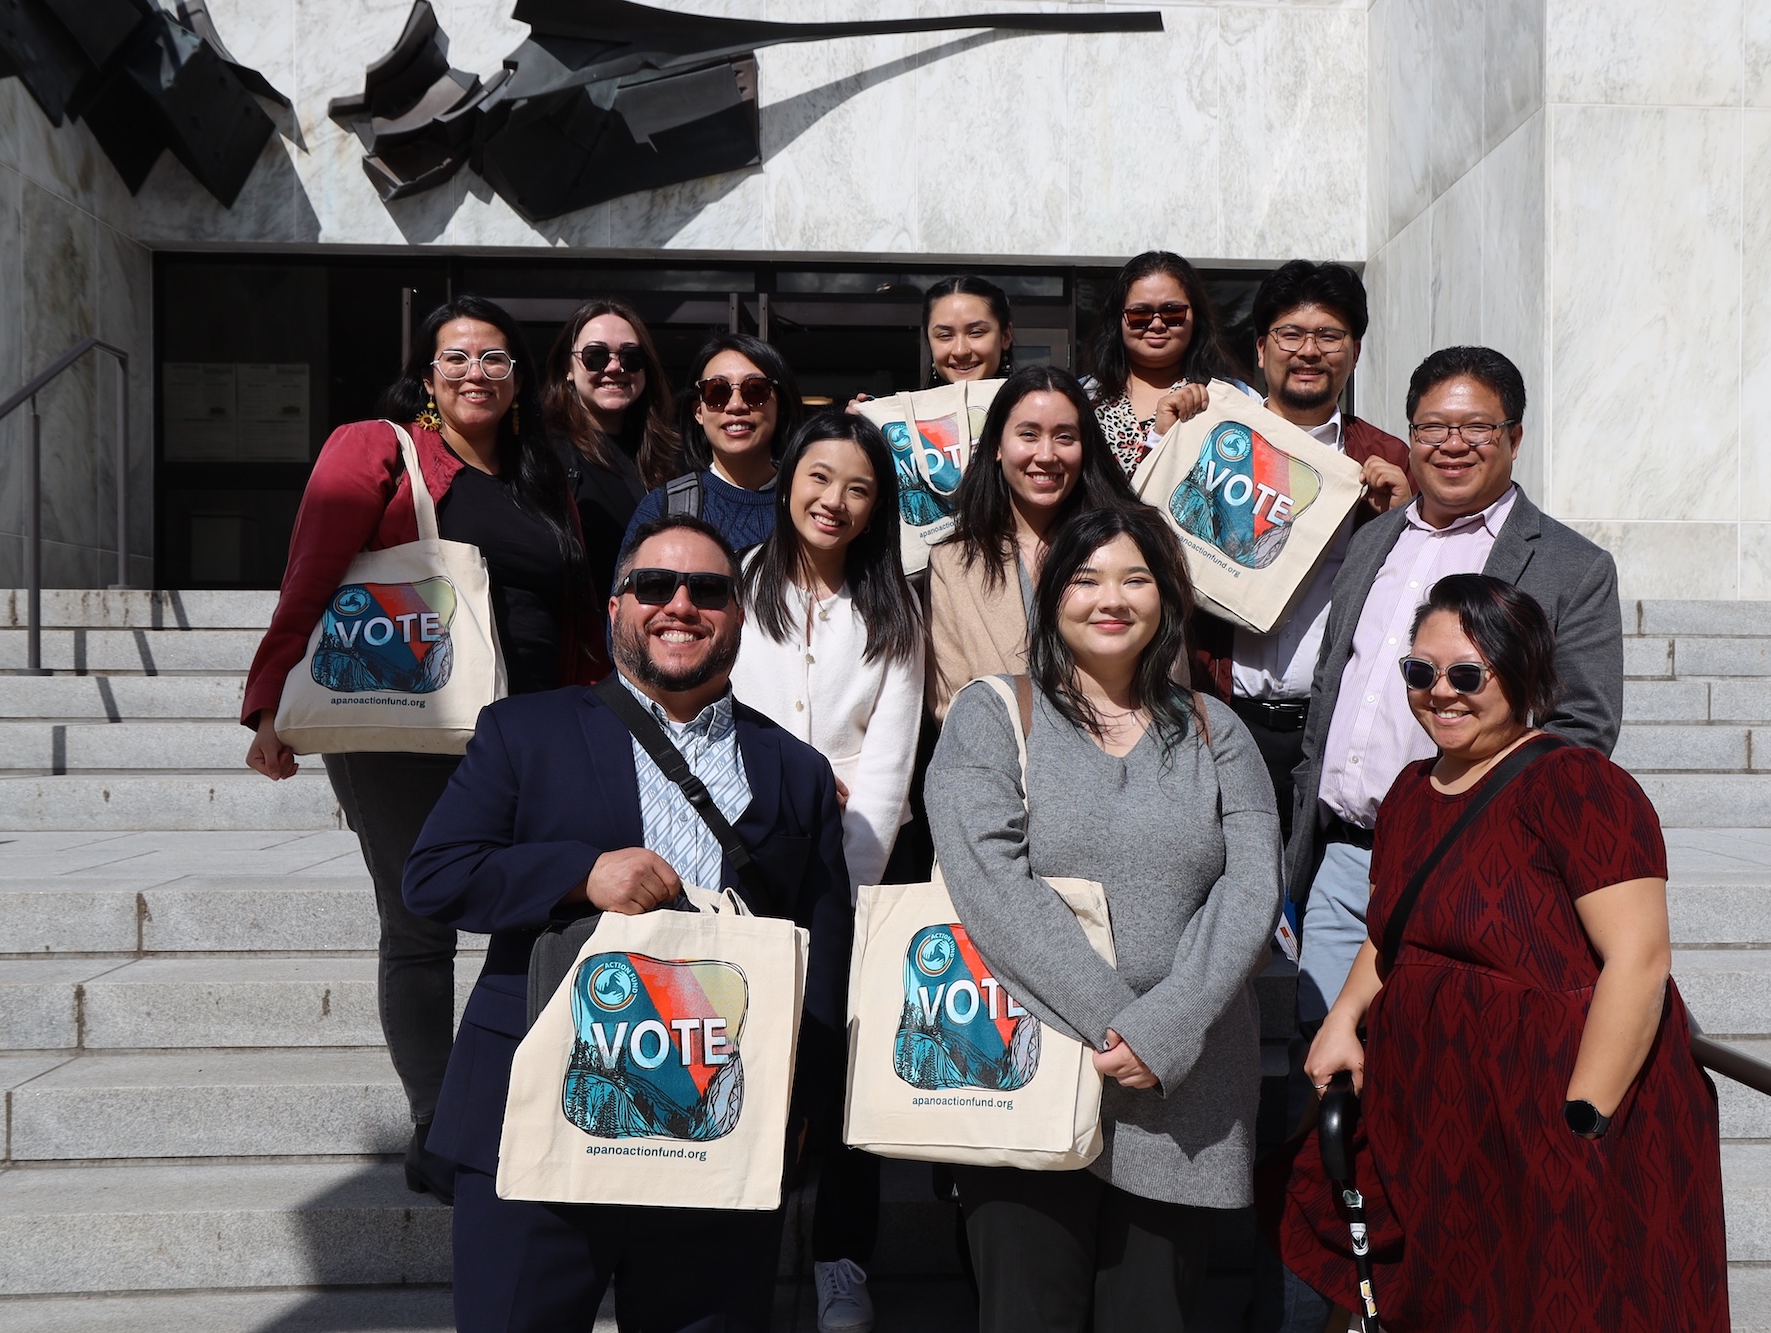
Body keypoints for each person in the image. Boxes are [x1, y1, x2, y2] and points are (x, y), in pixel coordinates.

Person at [402, 512, 853, 1332]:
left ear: (738, 616)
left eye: (707, 590)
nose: (680, 604)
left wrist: (802, 1111)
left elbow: (825, 956)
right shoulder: (524, 732)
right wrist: (578, 874)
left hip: (715, 1128)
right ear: (616, 607)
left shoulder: (798, 770)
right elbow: (434, 876)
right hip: (537, 1115)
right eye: (654, 585)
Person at [1282, 574, 1728, 1331]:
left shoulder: (1579, 785)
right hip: (1436, 1117)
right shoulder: (1409, 792)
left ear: (1520, 671)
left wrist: (1584, 1116)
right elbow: (1391, 932)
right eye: (1420, 672)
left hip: (1549, 1112)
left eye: (1466, 674)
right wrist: (1343, 1019)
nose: (1440, 692)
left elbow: (1640, 959)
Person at [241, 294, 600, 1204]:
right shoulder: (376, 448)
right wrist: (271, 701)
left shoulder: (541, 471)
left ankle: (522, 1097)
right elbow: (311, 571)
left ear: (520, 378)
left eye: (495, 358)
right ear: (428, 377)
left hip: (528, 726)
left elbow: (570, 609)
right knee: (419, 921)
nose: (476, 372)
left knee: (538, 909)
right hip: (403, 719)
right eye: (456, 358)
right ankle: (440, 1122)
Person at [926, 504, 1282, 1333]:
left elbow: (1252, 888)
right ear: (1052, 594)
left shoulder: (1216, 729)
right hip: (1032, 1067)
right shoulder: (993, 713)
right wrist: (1121, 1023)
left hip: (1184, 1085)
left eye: (1136, 578)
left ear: (1168, 598)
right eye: (1085, 579)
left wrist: (1166, 1031)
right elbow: (990, 885)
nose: (1110, 598)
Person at [1286, 346, 1625, 1029]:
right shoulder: (1371, 540)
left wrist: (1491, 834)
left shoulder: (1571, 566)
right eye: (1433, 427)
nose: (1453, 444)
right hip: (1346, 861)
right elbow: (1332, 686)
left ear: (1515, 438)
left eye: (1477, 428)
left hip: (1464, 860)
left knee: (1439, 1050)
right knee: (1321, 1056)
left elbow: (1582, 727)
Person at [732, 412, 923, 1333]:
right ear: (788, 482)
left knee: (847, 1071)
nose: (834, 501)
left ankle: (842, 1258)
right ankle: (740, 1247)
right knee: (749, 1055)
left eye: (857, 487)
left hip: (852, 869)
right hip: (740, 860)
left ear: (877, 504)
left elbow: (888, 761)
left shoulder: (894, 608)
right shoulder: (740, 582)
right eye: (819, 477)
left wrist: (842, 887)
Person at [1161, 261, 1414, 840]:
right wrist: (1166, 441)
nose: (1309, 351)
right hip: (1219, 718)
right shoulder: (1210, 432)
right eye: (1291, 334)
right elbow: (1141, 544)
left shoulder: (1389, 461)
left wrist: (1401, 519)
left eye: (1329, 336)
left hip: (1329, 732)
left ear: (1355, 352)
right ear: (1260, 349)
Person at [925, 364, 1138, 717]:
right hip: (999, 748)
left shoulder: (1133, 546)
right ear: (997, 446)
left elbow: (1164, 680)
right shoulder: (953, 561)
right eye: (1028, 434)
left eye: (1065, 437)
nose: (1046, 454)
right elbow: (951, 706)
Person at [542, 298, 681, 604]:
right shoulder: (543, 454)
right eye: (595, 356)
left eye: (631, 357)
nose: (615, 367)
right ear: (567, 368)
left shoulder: (669, 455)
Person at [625, 333, 803, 554]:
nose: (736, 405)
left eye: (755, 389)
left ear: (781, 405)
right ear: (698, 412)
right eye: (717, 391)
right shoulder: (663, 507)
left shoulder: (809, 504)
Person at [1081, 250, 1246, 475]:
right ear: (1118, 319)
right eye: (1140, 314)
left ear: (1196, 316)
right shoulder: (1082, 397)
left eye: (1172, 312)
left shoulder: (1230, 397)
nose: (1157, 324)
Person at [922, 273, 1013, 384]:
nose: (960, 351)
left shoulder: (1030, 395)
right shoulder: (909, 397)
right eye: (945, 335)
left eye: (976, 332)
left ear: (1006, 336)